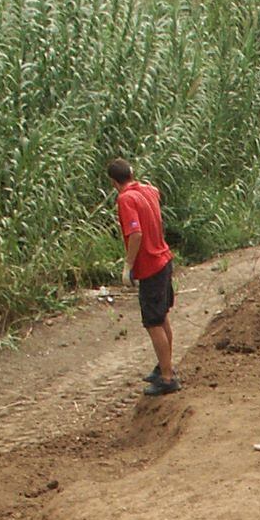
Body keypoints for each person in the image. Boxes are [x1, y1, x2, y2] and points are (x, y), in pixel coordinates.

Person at [108, 158, 178, 396]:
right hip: (164, 259)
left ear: (114, 183)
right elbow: (155, 192)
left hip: (150, 266)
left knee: (153, 322)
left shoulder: (125, 198)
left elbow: (135, 233)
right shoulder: (148, 190)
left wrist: (128, 264)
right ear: (132, 173)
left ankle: (167, 378)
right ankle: (164, 366)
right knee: (162, 317)